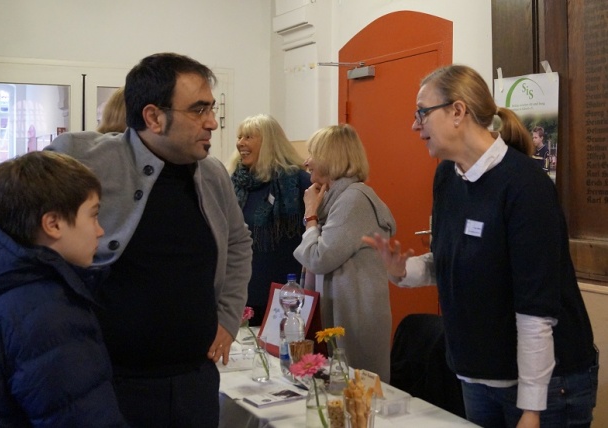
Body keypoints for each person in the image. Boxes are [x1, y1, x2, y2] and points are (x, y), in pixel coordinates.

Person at [364, 64, 598, 427]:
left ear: (458, 111)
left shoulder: (525, 186)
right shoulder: (447, 175)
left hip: (545, 385)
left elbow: (536, 310)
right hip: (476, 377)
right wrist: (403, 270)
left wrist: (531, 409)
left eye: (422, 112)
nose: (414, 125)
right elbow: (454, 259)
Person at [42, 53, 253, 427]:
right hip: (110, 384)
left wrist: (228, 316)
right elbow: (9, 210)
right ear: (154, 117)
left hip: (194, 382)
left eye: (212, 108)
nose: (212, 122)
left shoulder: (213, 175)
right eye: (199, 110)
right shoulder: (84, 159)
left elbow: (238, 242)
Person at [0, 151, 127, 427]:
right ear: (53, 224)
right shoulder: (49, 313)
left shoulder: (5, 284)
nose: (100, 231)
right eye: (93, 216)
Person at [293, 124, 396, 382]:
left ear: (332, 157)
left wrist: (310, 216)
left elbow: (318, 258)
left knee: (358, 394)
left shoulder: (354, 200)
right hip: (344, 314)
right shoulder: (335, 199)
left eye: (313, 154)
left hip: (355, 320)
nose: (306, 162)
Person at [226, 114, 311, 325]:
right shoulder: (233, 183)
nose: (240, 143)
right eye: (239, 137)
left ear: (269, 143)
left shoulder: (298, 182)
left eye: (248, 137)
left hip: (286, 294)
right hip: (240, 293)